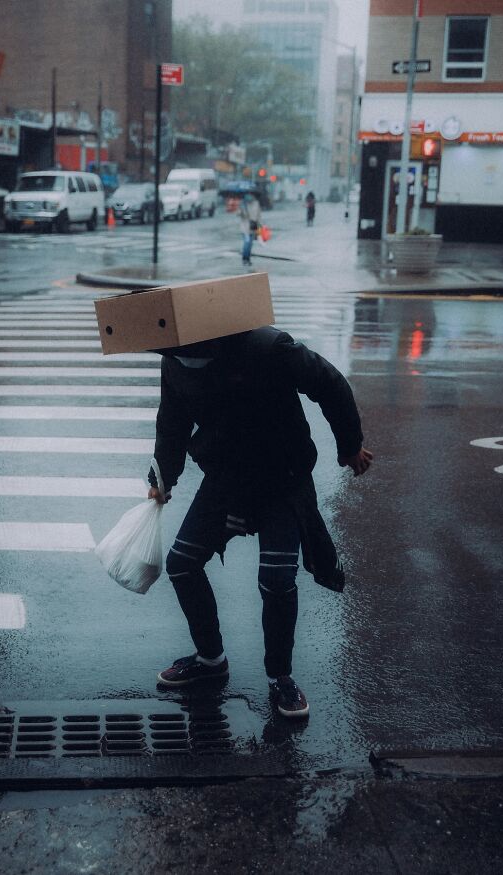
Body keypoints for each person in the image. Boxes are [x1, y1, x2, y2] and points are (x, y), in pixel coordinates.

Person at [147, 327, 373, 718]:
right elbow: (173, 421)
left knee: (277, 580)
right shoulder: (174, 362)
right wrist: (162, 478)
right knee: (181, 564)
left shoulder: (268, 347)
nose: (184, 360)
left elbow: (330, 383)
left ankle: (280, 677)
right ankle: (210, 659)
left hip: (282, 479)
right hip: (226, 479)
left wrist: (350, 445)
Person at [238, 192, 262, 266]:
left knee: (250, 244)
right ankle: (245, 259)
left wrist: (259, 226)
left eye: (251, 195)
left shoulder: (256, 203)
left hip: (253, 227)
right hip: (245, 228)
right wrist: (241, 211)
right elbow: (239, 214)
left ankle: (247, 259)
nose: (249, 196)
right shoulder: (243, 204)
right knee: (247, 243)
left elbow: (258, 215)